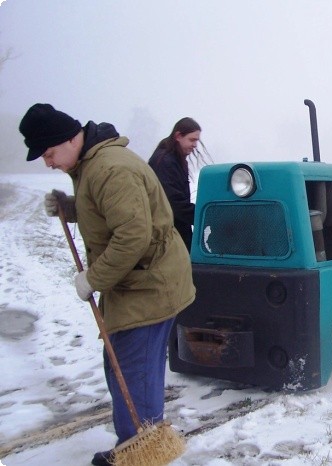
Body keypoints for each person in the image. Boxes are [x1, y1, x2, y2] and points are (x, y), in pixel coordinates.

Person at [19, 103, 196, 466]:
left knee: (134, 374)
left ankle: (144, 453)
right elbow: (108, 210)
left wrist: (92, 279)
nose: (48, 163)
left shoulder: (110, 168)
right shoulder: (91, 165)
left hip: (149, 285)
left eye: (49, 153)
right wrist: (70, 208)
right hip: (133, 284)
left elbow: (132, 236)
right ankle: (133, 447)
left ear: (70, 139)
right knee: (120, 367)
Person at [148, 117, 209, 251]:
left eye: (197, 141)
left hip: (177, 231)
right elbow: (172, 202)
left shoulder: (177, 160)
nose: (194, 145)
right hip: (166, 234)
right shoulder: (164, 162)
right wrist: (204, 216)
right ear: (178, 136)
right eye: (192, 140)